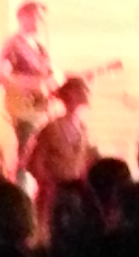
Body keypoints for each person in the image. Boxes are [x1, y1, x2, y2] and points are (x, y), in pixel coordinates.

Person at [25, 77, 94, 230]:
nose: (75, 102)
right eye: (73, 97)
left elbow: (84, 162)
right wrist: (47, 184)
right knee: (49, 228)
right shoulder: (51, 128)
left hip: (75, 193)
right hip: (52, 192)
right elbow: (35, 162)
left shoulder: (83, 129)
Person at [0, 0, 55, 166]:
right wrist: (30, 84)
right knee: (26, 154)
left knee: (40, 156)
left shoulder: (40, 48)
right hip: (24, 109)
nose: (41, 22)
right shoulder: (14, 45)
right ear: (22, 17)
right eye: (37, 17)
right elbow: (1, 76)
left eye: (42, 18)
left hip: (39, 108)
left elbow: (48, 77)